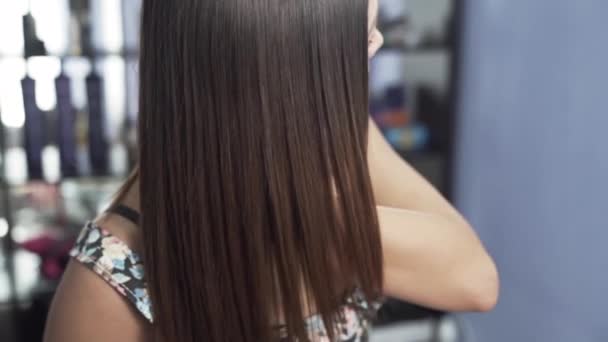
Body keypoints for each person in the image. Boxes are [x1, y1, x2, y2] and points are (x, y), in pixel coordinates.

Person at [44, 0, 498, 341]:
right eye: (362, 36)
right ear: (285, 62)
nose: (376, 47)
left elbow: (475, 280)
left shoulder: (340, 138)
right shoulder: (107, 286)